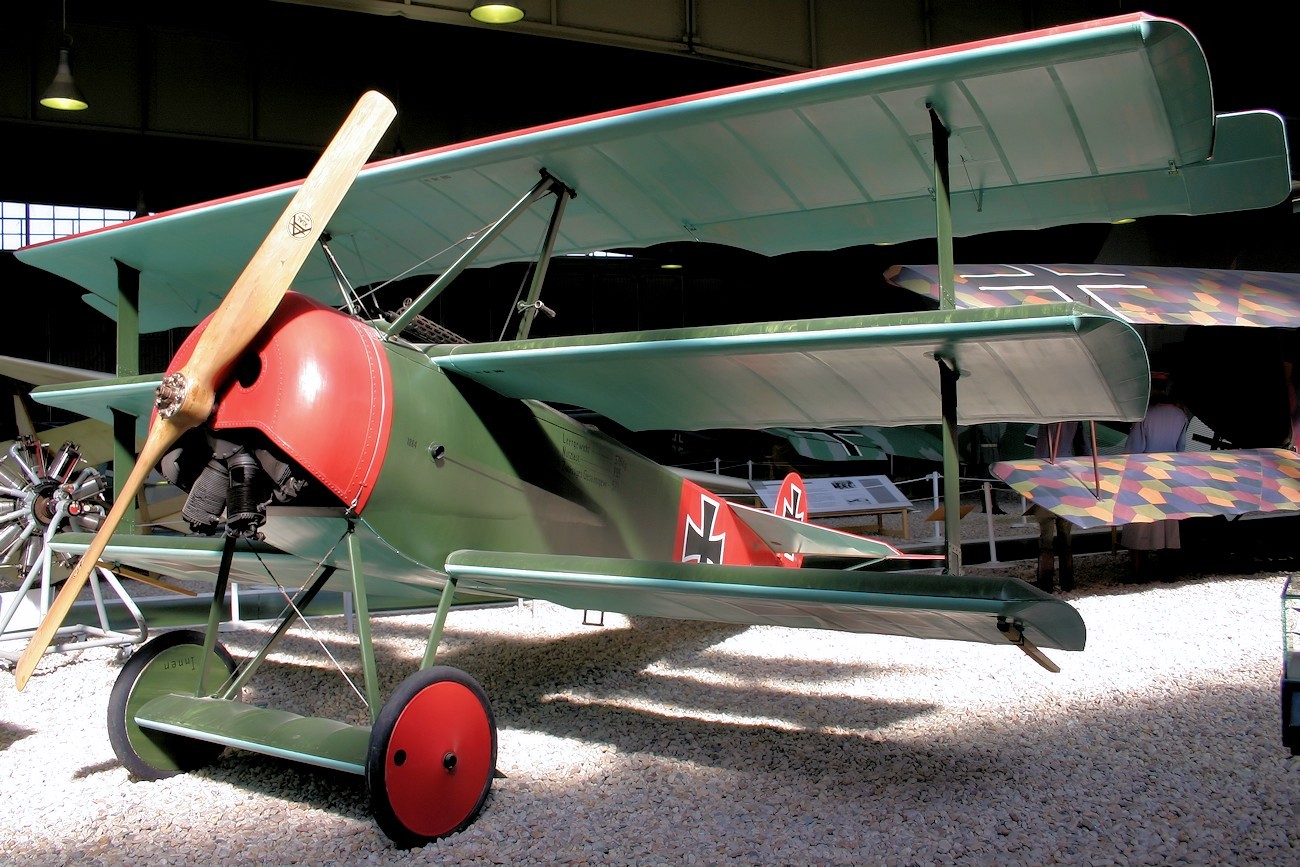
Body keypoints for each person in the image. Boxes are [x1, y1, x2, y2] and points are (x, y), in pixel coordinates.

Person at [1120, 372, 1190, 581]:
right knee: (1167, 524)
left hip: (1143, 476)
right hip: (1169, 475)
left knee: (1139, 525)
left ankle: (1139, 572)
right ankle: (1167, 571)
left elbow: (1134, 449)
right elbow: (1181, 449)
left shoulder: (1145, 416)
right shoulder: (1180, 416)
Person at [1032, 421, 1090, 592]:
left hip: (1045, 475)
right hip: (1068, 474)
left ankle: (1045, 582)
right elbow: (1083, 448)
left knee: (1046, 534)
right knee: (1065, 531)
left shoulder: (1045, 417)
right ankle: (1067, 581)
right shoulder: (1074, 416)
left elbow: (1040, 449)